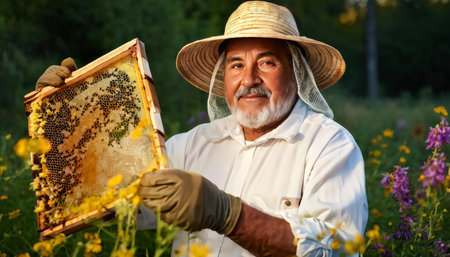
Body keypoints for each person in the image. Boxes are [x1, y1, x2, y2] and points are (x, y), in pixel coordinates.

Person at [35, 1, 368, 256]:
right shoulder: (189, 146)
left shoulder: (330, 146)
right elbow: (109, 204)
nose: (249, 79)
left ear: (297, 72)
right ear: (223, 78)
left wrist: (229, 214)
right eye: (236, 65)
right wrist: (64, 123)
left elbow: (337, 248)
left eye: (266, 62)